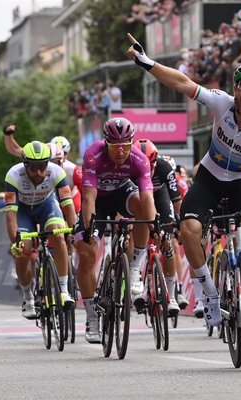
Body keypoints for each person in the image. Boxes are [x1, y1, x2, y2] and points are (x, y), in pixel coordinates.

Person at [127, 34, 241, 327]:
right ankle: (209, 294)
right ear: (235, 89)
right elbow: (183, 83)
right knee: (188, 229)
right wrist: (147, 63)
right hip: (209, 177)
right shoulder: (222, 103)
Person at [73, 117, 155, 343]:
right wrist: (90, 230)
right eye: (115, 146)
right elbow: (89, 198)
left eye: (125, 145)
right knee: (86, 251)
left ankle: (135, 265)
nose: (120, 151)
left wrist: (153, 223)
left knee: (142, 209)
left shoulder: (139, 159)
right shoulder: (94, 154)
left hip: (121, 193)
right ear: (106, 143)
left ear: (132, 142)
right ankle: (91, 316)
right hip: (98, 199)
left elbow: (148, 197)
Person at [5, 141, 77, 319]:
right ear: (25, 164)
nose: (38, 172)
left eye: (42, 167)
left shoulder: (56, 172)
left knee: (59, 234)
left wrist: (73, 230)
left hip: (47, 206)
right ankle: (28, 296)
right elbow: (11, 215)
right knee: (24, 249)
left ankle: (63, 290)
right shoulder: (13, 175)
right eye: (34, 168)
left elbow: (68, 206)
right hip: (22, 211)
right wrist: (16, 242)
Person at [137, 139, 181, 315]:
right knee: (133, 234)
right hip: (140, 198)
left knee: (167, 244)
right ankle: (139, 283)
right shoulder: (133, 167)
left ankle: (171, 295)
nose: (148, 169)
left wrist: (179, 222)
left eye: (151, 164)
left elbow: (176, 199)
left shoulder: (164, 168)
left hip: (160, 197)